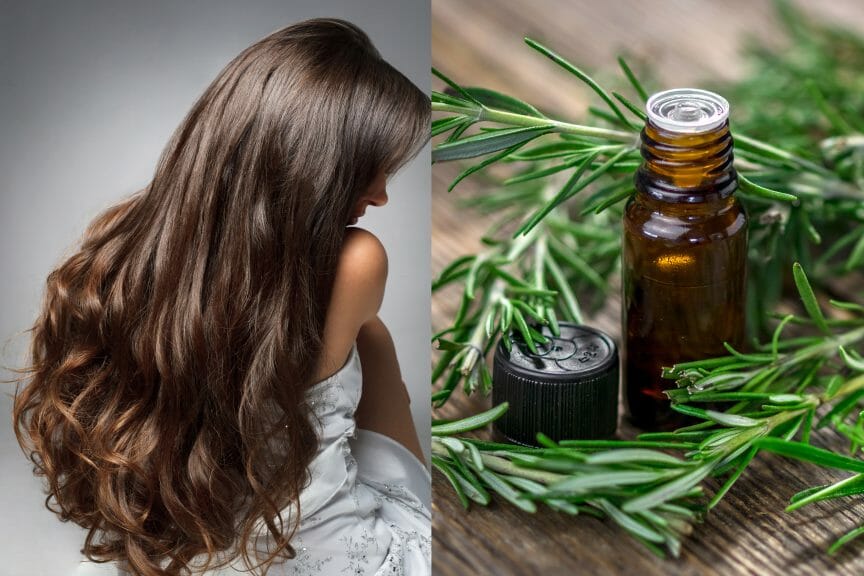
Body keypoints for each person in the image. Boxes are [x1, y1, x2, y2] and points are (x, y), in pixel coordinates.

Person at [10, 18, 430, 575]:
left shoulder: (120, 254)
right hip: (325, 556)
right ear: (307, 167)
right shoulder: (358, 261)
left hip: (192, 553)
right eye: (365, 173)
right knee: (371, 336)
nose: (379, 197)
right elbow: (362, 335)